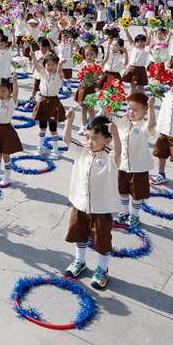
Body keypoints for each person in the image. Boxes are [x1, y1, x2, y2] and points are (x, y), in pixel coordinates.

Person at [61, 115, 121, 290]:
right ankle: (80, 260)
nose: (90, 142)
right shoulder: (82, 150)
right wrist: (69, 122)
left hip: (101, 208)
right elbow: (66, 140)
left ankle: (102, 269)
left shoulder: (109, 156)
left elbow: (118, 153)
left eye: (95, 139)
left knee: (101, 240)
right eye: (88, 137)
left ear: (107, 140)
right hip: (80, 203)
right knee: (80, 233)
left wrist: (116, 135)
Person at [113, 92, 156, 229]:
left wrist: (152, 107)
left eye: (135, 110)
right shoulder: (122, 120)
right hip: (122, 164)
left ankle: (135, 215)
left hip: (139, 166)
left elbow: (151, 123)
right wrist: (104, 97)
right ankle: (124, 212)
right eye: (129, 108)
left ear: (144, 111)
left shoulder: (143, 124)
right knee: (122, 189)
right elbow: (108, 113)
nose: (131, 112)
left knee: (137, 193)